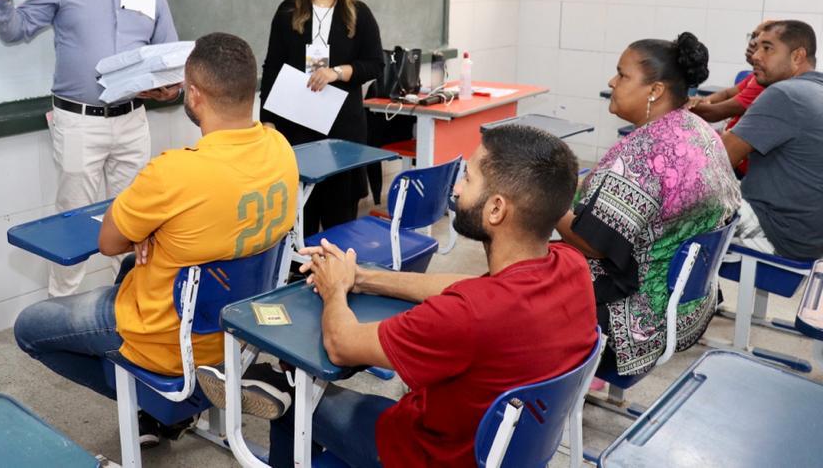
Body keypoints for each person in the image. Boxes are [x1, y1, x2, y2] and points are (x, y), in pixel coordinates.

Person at [200, 125, 597, 467]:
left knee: (294, 388)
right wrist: (363, 277)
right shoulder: (570, 266)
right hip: (491, 450)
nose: (456, 188)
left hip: (422, 453)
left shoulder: (467, 316)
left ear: (496, 209)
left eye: (469, 179)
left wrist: (336, 287)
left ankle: (278, 386)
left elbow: (341, 345)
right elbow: (464, 288)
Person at [14, 33, 298, 448]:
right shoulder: (280, 148)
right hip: (238, 327)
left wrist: (145, 233)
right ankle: (182, 398)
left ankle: (160, 400)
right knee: (132, 268)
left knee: (29, 327)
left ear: (196, 95)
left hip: (163, 334)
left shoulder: (174, 173)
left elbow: (110, 240)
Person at [0, 0, 181, 297]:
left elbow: (170, 61)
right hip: (80, 122)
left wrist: (171, 89)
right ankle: (59, 309)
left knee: (132, 218)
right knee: (74, 221)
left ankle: (128, 305)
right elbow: (15, 31)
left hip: (132, 122)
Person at [556, 32, 741, 378]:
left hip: (637, 318)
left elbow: (593, 245)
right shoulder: (699, 130)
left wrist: (548, 206)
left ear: (654, 90)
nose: (612, 82)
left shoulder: (643, 153)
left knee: (515, 285)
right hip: (687, 303)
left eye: (623, 75)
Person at [259, 0, 384, 235]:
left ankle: (337, 278)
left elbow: (376, 64)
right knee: (298, 221)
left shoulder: (359, 13)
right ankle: (297, 276)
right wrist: (267, 120)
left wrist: (337, 73)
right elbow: (272, 66)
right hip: (295, 129)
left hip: (342, 133)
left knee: (339, 221)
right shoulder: (289, 11)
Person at [722, 20, 823, 260]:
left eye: (767, 48)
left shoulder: (785, 94)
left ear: (798, 56)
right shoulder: (815, 91)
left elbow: (719, 157)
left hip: (778, 231)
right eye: (756, 47)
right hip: (812, 236)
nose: (756, 55)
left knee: (666, 213)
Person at [688, 21, 770, 175]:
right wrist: (702, 101)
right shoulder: (754, 76)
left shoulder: (764, 83)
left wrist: (678, 103)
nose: (753, 43)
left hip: (740, 166)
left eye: (761, 41)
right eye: (753, 36)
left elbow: (715, 113)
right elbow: (725, 94)